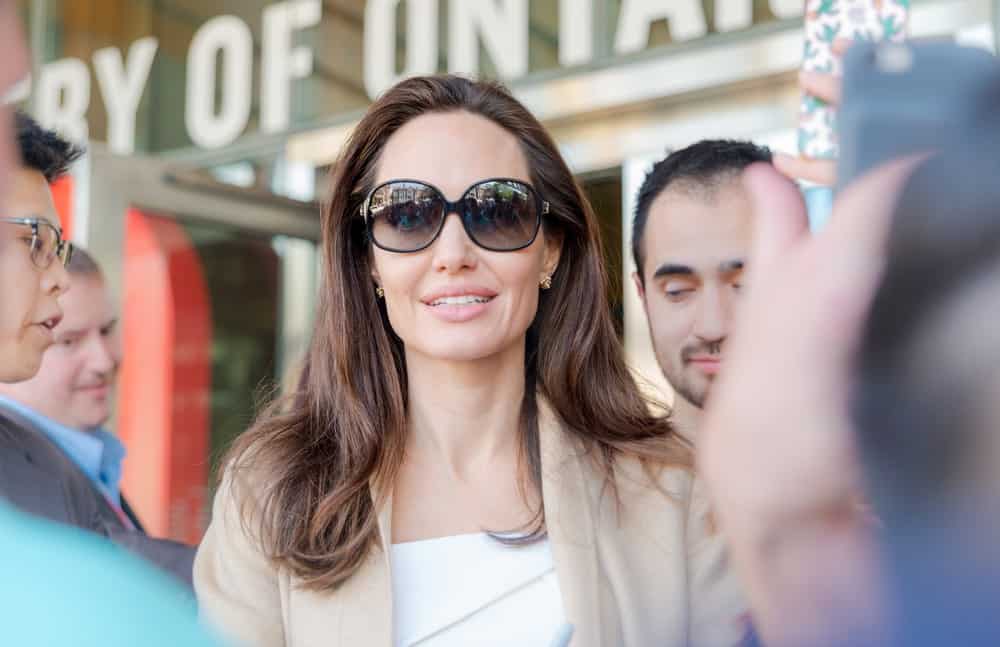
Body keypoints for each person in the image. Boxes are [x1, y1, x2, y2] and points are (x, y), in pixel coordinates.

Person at [195, 75, 746, 647]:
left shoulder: (672, 486)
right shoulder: (272, 491)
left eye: (497, 211)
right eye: (408, 216)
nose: (453, 255)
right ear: (368, 262)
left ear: (550, 249)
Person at [0, 4, 221, 646]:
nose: (57, 279)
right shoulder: (22, 468)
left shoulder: (38, 457)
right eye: (36, 240)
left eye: (59, 246)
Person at [0, 240, 197, 586]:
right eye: (69, 341)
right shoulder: (13, 465)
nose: (104, 361)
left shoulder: (87, 456)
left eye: (107, 331)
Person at [631, 140, 774, 436]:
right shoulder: (596, 479)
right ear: (643, 296)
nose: (712, 327)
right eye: (677, 291)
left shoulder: (875, 473)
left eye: (744, 285)